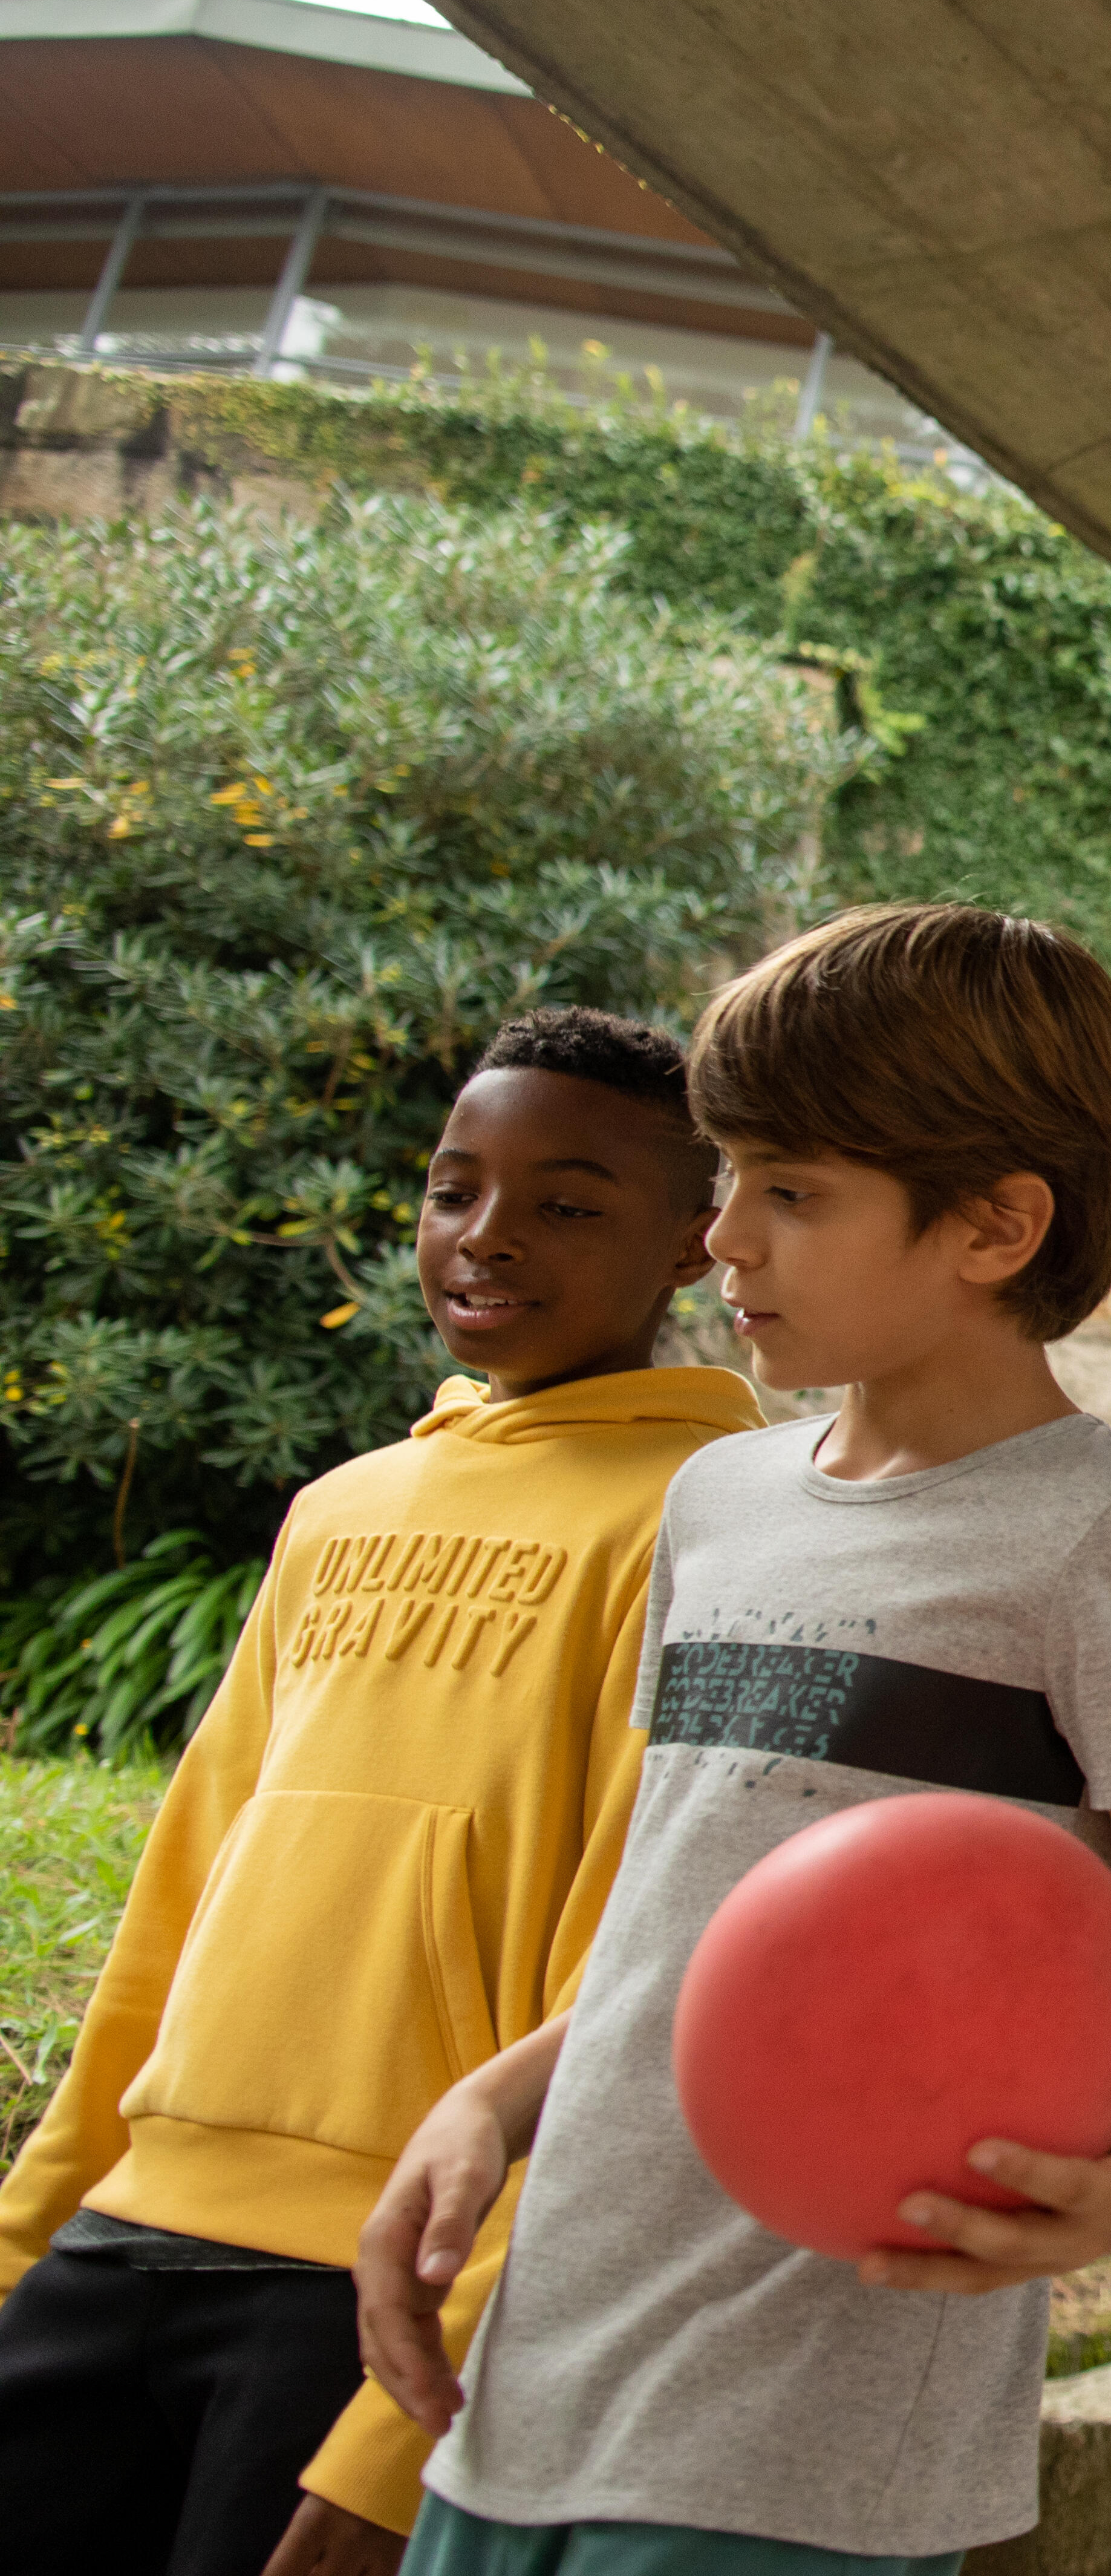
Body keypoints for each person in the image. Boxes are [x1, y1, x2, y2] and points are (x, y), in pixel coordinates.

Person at [350, 904, 1111, 2576]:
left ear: (997, 1225)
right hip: (531, 2397)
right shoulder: (713, 1503)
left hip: (808, 2452)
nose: (724, 1242)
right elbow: (678, 1932)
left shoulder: (1108, 1538)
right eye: (726, 1181)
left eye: (791, 1192)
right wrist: (484, 2114)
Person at [0, 1007, 755, 2576]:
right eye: (452, 1189)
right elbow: (178, 1901)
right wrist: (26, 2243)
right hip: (126, 2229)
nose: (486, 1238)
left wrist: (402, 2435)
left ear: (698, 1241)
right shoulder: (340, 1508)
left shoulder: (710, 1533)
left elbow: (630, 1993)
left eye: (566, 1203)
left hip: (376, 2282)